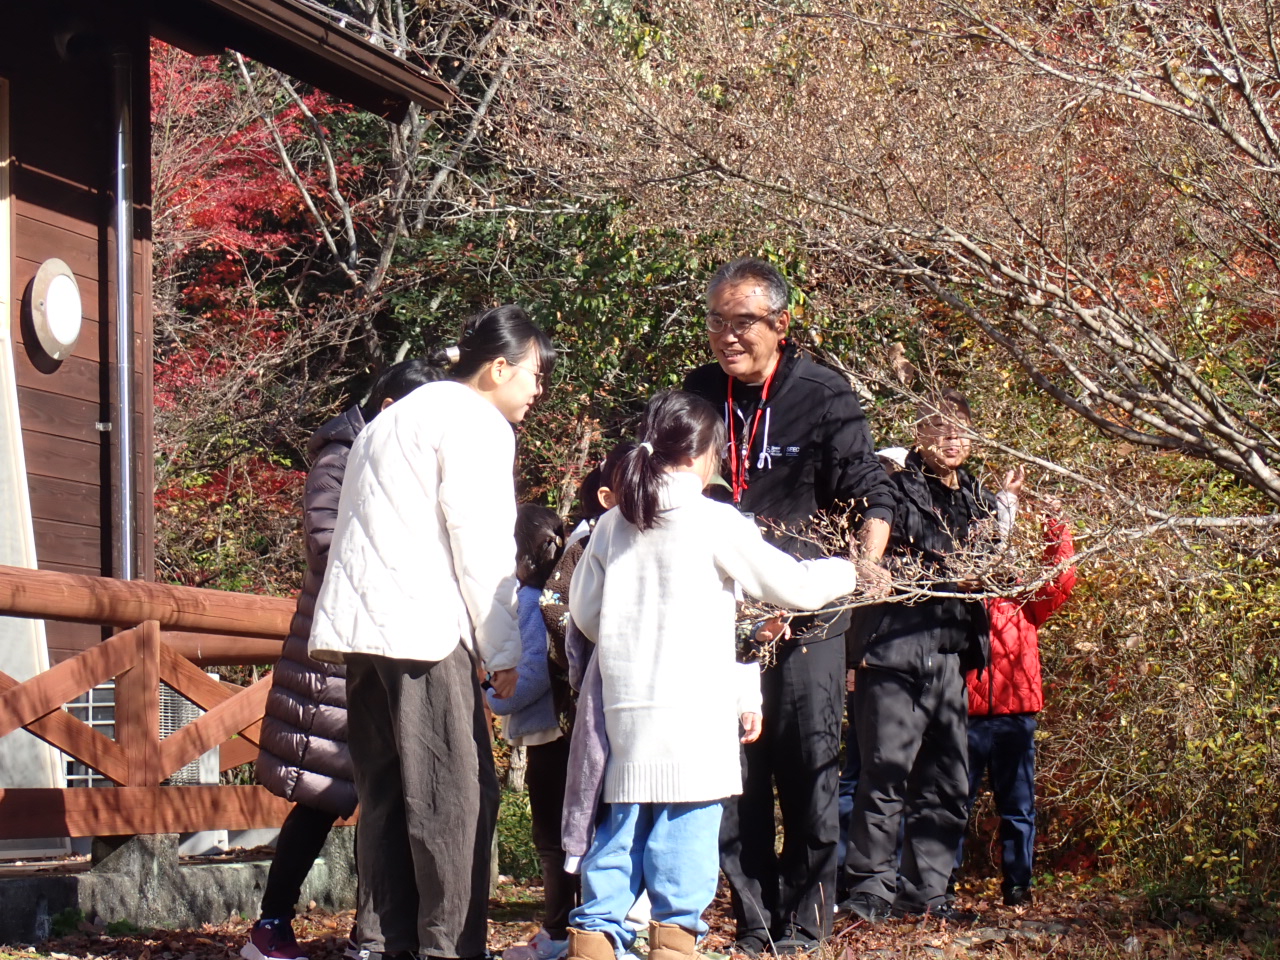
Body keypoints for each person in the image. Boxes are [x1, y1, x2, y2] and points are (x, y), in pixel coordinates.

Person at [563, 390, 860, 960]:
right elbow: (792, 586)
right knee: (686, 836)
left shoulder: (613, 522)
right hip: (695, 714)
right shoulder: (714, 520)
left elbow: (586, 614)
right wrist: (847, 570)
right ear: (703, 454)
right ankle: (674, 945)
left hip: (625, 710)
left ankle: (593, 940)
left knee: (621, 830)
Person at [309, 305, 555, 960]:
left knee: (387, 793)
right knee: (455, 796)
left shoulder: (391, 419)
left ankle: (385, 941)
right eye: (534, 374)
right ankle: (449, 948)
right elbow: (482, 547)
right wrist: (503, 649)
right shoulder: (475, 421)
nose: (538, 389)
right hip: (422, 629)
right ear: (499, 367)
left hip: (362, 631)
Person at [683, 258, 896, 954]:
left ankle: (805, 927)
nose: (727, 335)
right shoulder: (697, 394)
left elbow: (873, 493)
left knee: (809, 773)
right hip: (720, 619)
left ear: (780, 323)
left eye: (742, 321)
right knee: (733, 780)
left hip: (808, 615)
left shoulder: (824, 394)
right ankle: (753, 923)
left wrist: (866, 565)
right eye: (716, 321)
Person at [244, 358, 444, 960]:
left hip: (375, 642)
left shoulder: (389, 456)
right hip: (335, 650)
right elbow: (326, 544)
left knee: (385, 795)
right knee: (322, 796)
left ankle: (374, 930)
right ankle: (271, 925)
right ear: (390, 409)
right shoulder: (340, 456)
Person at [842, 389, 1021, 923]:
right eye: (939, 429)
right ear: (920, 434)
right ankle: (870, 890)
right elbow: (875, 556)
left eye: (960, 430)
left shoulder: (977, 497)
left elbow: (992, 562)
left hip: (950, 653)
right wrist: (931, 574)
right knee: (884, 773)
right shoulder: (893, 488)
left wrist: (1002, 542)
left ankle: (927, 892)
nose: (951, 439)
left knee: (947, 780)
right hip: (893, 650)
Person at [954, 505, 1076, 908]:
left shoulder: (1025, 597)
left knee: (1018, 807)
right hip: (964, 717)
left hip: (1015, 717)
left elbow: (1061, 578)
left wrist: (1055, 525)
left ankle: (1018, 888)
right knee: (953, 804)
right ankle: (941, 887)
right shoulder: (958, 595)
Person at [489, 504, 576, 960]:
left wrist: (491, 698)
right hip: (558, 731)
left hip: (548, 733)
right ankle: (567, 927)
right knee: (567, 835)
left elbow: (533, 674)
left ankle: (558, 930)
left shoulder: (527, 602)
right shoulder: (557, 597)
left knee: (551, 840)